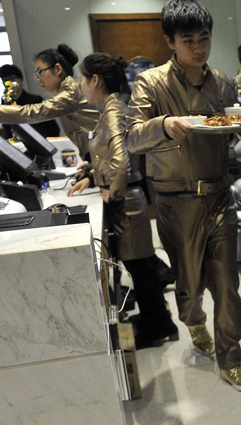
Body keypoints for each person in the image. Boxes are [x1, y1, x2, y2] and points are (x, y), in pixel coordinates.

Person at [125, 0, 241, 392]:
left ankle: (230, 356)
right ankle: (192, 320)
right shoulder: (150, 84)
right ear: (170, 41)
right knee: (188, 286)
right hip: (174, 200)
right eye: (189, 40)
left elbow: (236, 125)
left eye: (204, 39)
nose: (199, 47)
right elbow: (132, 137)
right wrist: (165, 125)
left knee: (225, 282)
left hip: (219, 196)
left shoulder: (222, 83)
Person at [66, 53, 178, 349]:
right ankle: (158, 322)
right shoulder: (112, 108)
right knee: (140, 268)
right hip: (128, 200)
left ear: (95, 80)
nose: (81, 85)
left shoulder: (114, 111)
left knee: (141, 269)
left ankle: (157, 328)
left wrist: (111, 192)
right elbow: (108, 156)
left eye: (83, 79)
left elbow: (122, 159)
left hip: (126, 202)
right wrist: (92, 173)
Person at [0, 44, 98, 157]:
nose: (38, 78)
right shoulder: (67, 90)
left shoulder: (70, 92)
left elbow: (30, 113)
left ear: (58, 69)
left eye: (40, 72)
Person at [0, 64, 61, 139]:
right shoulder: (6, 102)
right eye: (5, 81)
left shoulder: (35, 100)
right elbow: (7, 129)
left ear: (20, 80)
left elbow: (53, 129)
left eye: (13, 79)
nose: (9, 83)